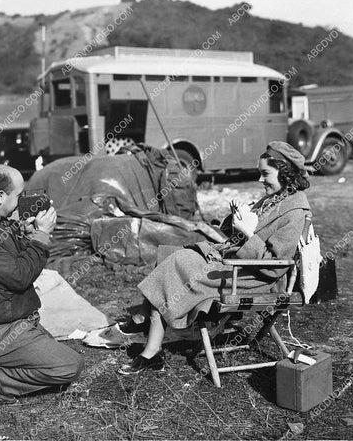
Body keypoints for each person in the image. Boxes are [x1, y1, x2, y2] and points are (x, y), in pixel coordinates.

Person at [118, 141, 311, 375]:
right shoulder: (275, 198)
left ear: (286, 172)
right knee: (169, 253)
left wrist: (247, 233)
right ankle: (148, 331)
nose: (260, 180)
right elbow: (232, 232)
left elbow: (274, 265)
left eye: (265, 174)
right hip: (235, 264)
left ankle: (148, 341)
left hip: (252, 276)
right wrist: (236, 215)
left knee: (179, 262)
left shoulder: (295, 211)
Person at [0, 165, 84, 404]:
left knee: (56, 361)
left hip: (10, 321)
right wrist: (41, 237)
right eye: (19, 196)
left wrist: (23, 236)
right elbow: (19, 276)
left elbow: (10, 260)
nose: (24, 201)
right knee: (70, 366)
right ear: (0, 197)